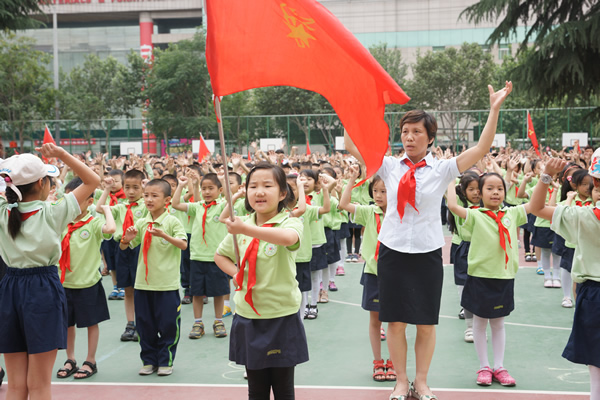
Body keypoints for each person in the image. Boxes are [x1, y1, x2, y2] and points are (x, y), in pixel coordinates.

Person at [344, 81, 512, 400]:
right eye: (405, 131)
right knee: (394, 322)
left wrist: (494, 109)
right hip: (391, 253)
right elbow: (353, 143)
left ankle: (421, 382)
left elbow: (480, 149)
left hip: (427, 256)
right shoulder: (389, 166)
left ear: (430, 137)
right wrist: (355, 102)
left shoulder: (443, 169)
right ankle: (400, 381)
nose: (409, 137)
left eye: (416, 132)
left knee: (425, 323)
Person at [0, 144, 100, 400]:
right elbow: (93, 180)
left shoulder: (3, 211)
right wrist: (63, 155)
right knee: (40, 386)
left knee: (15, 386)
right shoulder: (53, 212)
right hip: (42, 289)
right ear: (43, 183)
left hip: (9, 288)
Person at [214, 162, 308, 400]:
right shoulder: (243, 224)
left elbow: (288, 239)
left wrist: (246, 230)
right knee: (256, 389)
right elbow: (220, 255)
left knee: (283, 389)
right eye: (253, 186)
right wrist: (236, 273)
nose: (259, 191)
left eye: (268, 185)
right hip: (248, 316)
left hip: (281, 315)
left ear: (283, 193)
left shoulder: (289, 221)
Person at [447, 172, 530, 387]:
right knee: (480, 323)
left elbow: (535, 205)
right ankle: (484, 366)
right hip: (479, 277)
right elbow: (454, 207)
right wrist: (449, 179)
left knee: (499, 323)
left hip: (503, 277)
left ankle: (499, 366)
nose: (495, 192)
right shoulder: (476, 214)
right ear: (479, 193)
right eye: (489, 188)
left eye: (500, 188)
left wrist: (546, 176)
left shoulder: (512, 214)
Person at [529, 154, 600, 400]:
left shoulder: (582, 216)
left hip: (594, 292)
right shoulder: (582, 214)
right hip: (592, 291)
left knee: (596, 358)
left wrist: (546, 176)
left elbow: (536, 208)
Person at [120, 178, 188, 376]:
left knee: (168, 325)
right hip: (143, 285)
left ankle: (165, 360)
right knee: (145, 325)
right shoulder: (141, 223)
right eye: (146, 195)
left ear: (167, 200)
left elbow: (183, 245)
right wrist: (127, 239)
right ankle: (148, 360)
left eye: (154, 196)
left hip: (167, 286)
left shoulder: (172, 221)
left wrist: (164, 235)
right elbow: (125, 246)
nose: (149, 199)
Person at [56, 177, 116, 380]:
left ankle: (90, 360)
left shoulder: (93, 223)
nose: (71, 205)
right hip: (64, 283)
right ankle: (70, 358)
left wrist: (107, 210)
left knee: (91, 323)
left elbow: (110, 230)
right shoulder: (62, 222)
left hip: (88, 283)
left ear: (90, 202)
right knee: (67, 324)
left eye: (77, 199)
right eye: (69, 199)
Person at [339, 167, 394, 382]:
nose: (379, 196)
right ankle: (378, 361)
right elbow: (344, 204)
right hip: (374, 273)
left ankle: (393, 361)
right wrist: (352, 178)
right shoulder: (370, 212)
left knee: (396, 322)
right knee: (375, 319)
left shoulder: (401, 213)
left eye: (384, 191)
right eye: (376, 191)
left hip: (397, 274)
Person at [172, 173, 229, 339]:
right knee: (197, 292)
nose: (207, 192)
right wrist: (183, 185)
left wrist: (224, 181)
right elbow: (175, 204)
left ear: (219, 190)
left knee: (218, 292)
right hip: (197, 256)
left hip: (217, 257)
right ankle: (198, 322)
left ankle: (218, 321)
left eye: (211, 188)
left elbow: (231, 200)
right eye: (204, 189)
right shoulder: (197, 207)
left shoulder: (222, 206)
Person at [97, 169, 148, 341]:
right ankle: (130, 323)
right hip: (123, 248)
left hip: (141, 248)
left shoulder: (146, 205)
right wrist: (106, 189)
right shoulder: (120, 207)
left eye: (136, 187)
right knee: (128, 289)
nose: (131, 191)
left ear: (143, 187)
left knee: (142, 288)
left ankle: (143, 323)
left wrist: (148, 191)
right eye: (127, 187)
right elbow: (99, 209)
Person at [446, 171, 481, 343]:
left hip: (483, 248)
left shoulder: (486, 204)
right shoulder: (460, 204)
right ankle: (470, 326)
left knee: (481, 286)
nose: (476, 192)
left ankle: (479, 326)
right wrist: (451, 177)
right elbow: (450, 196)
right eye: (471, 189)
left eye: (478, 188)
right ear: (463, 191)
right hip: (463, 246)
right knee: (463, 285)